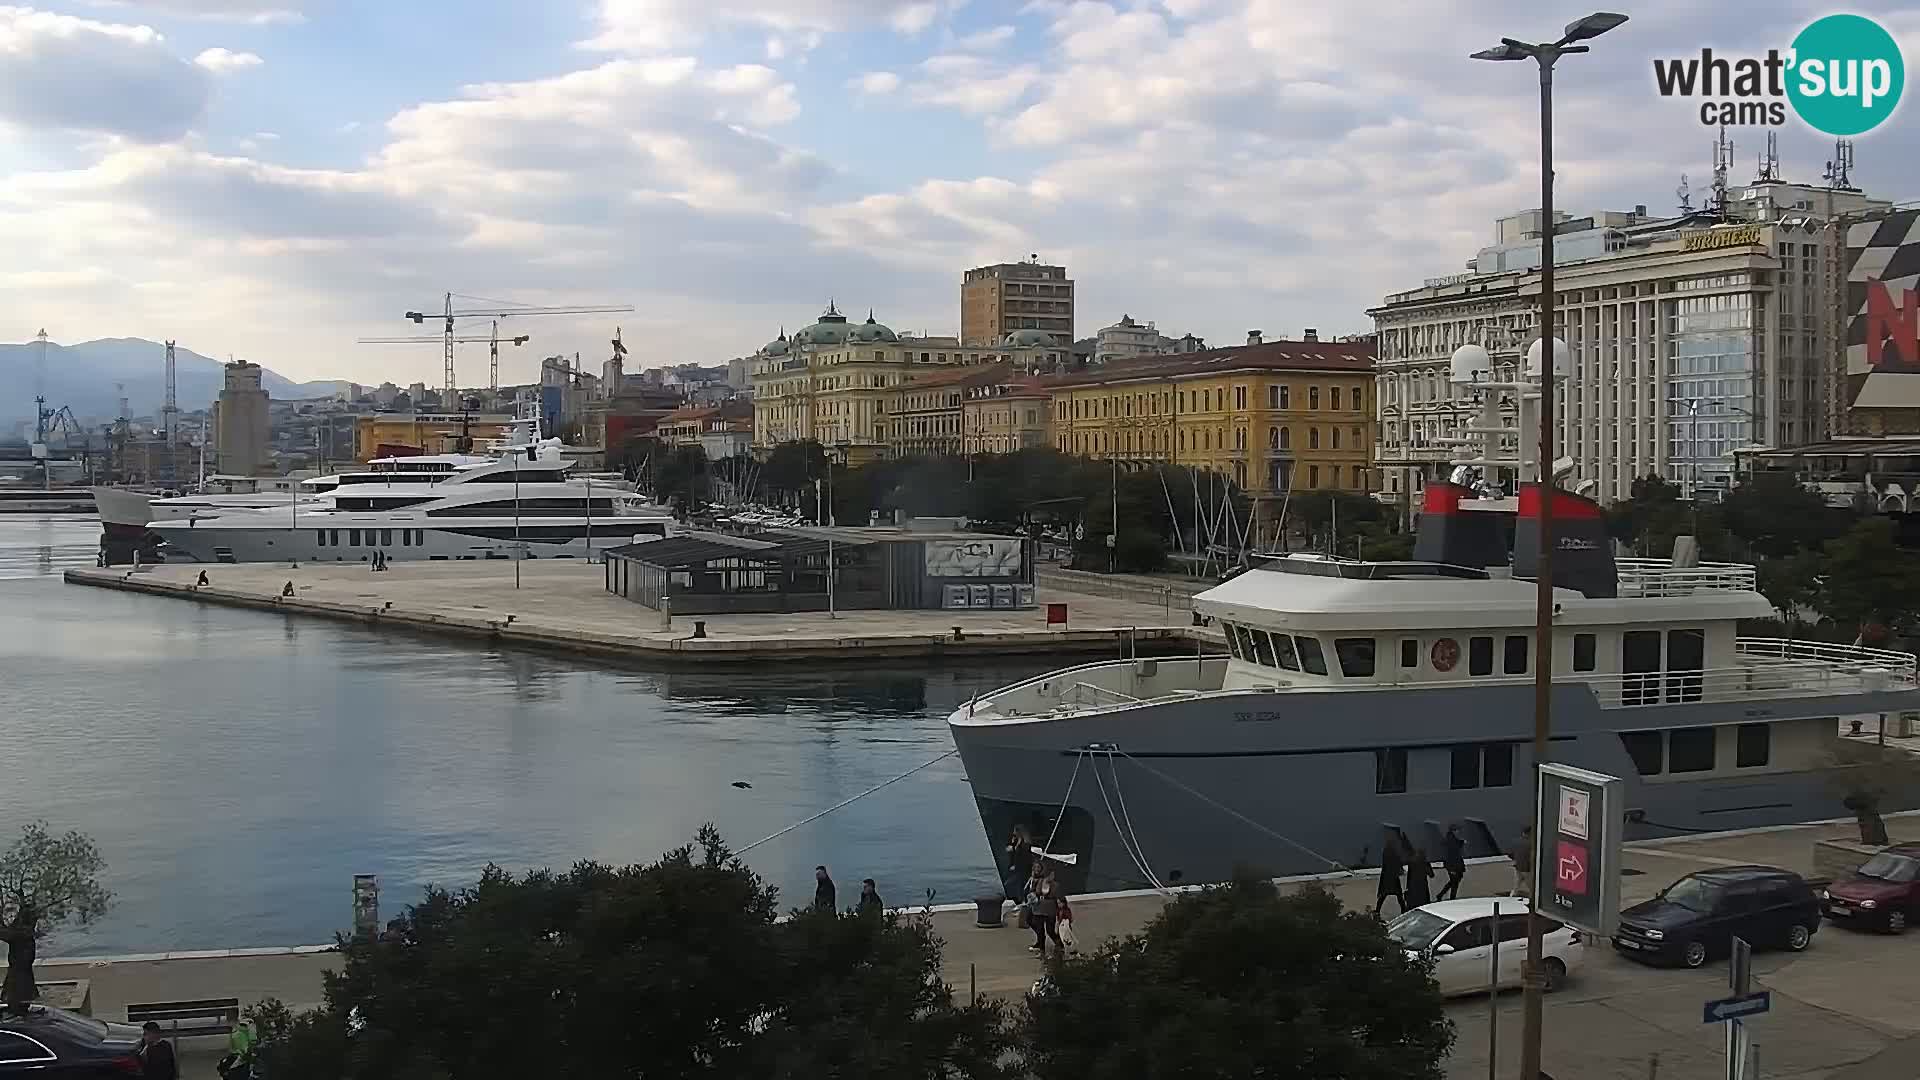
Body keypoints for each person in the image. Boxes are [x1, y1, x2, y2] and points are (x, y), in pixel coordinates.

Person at [1027, 874, 1064, 958]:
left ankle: (1060, 945)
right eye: (1050, 874)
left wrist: (1061, 906)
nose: (1052, 876)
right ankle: (1042, 950)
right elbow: (1032, 892)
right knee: (1040, 931)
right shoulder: (1038, 882)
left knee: (1050, 931)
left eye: (1053, 874)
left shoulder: (1055, 885)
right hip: (1038, 909)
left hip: (1050, 911)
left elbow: (1060, 898)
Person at [1373, 831, 1405, 916]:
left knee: (1385, 894)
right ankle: (1404, 910)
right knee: (1397, 894)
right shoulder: (1391, 850)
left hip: (1388, 875)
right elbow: (1396, 861)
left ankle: (1377, 911)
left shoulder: (1388, 850)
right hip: (1392, 876)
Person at [1004, 824, 1035, 901]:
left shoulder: (1025, 843)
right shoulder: (1016, 841)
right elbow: (1009, 850)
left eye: (1015, 831)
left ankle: (1021, 899)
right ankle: (1019, 899)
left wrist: (1014, 849)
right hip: (1018, 868)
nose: (1013, 833)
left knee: (1019, 885)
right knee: (1017, 885)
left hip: (1023, 867)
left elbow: (1024, 854)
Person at [1438, 824, 1468, 901]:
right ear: (1453, 831)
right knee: (1454, 882)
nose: (1458, 832)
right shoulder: (1451, 841)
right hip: (1453, 865)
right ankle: (1451, 898)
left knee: (1453, 881)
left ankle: (1443, 895)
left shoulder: (1450, 839)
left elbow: (1456, 844)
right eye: (1456, 830)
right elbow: (1453, 852)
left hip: (1453, 865)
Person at [1511, 826, 1534, 898]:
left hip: (1518, 866)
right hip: (1527, 868)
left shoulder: (1517, 841)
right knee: (1532, 886)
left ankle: (1512, 895)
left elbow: (1512, 854)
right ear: (1530, 833)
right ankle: (1533, 899)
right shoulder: (1531, 843)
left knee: (1517, 884)